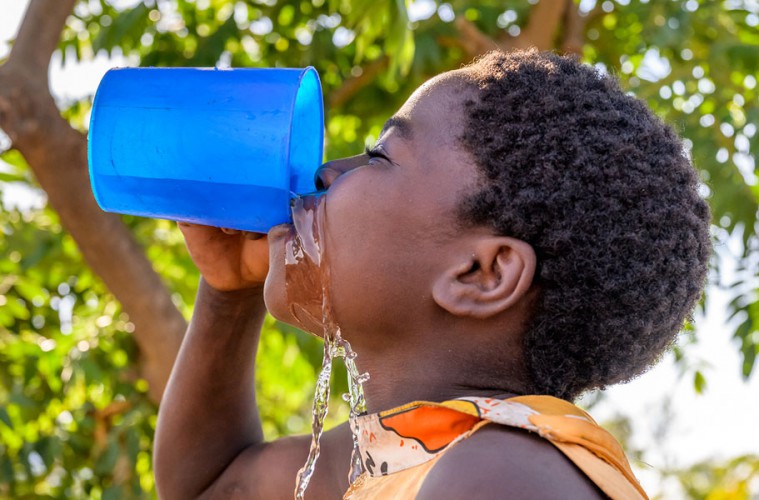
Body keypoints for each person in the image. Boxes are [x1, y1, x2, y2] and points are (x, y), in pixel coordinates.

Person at [153, 49, 711, 499]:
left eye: (378, 156)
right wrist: (229, 293)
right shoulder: (396, 455)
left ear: (480, 274)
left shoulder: (500, 476)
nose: (326, 171)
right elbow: (210, 483)